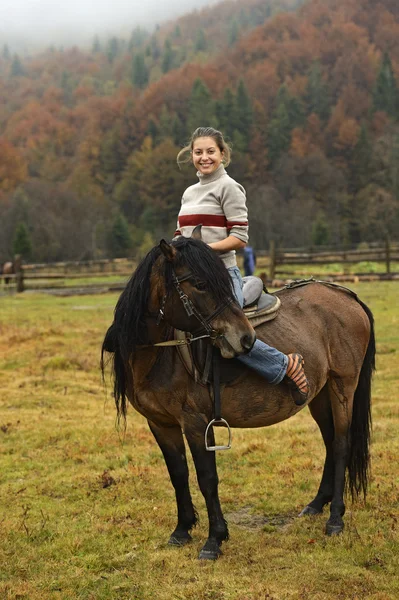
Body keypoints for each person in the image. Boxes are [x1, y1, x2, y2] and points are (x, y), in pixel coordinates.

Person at [175, 127, 309, 405]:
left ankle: (285, 365)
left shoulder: (229, 187)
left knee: (227, 331)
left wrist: (203, 251)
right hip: (192, 278)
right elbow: (181, 235)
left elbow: (239, 238)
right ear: (191, 156)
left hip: (221, 275)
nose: (204, 157)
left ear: (222, 154)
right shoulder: (189, 193)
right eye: (198, 152)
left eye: (210, 151)